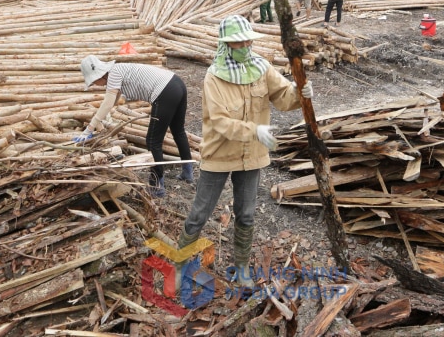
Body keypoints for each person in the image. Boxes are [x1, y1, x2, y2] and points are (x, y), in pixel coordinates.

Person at [177, 15, 313, 289]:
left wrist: (301, 92)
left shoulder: (260, 68)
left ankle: (241, 269)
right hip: (219, 155)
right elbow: (219, 121)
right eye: (241, 41)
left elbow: (284, 97)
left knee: (246, 214)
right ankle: (180, 266)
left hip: (252, 156)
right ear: (227, 44)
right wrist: (254, 130)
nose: (247, 44)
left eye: (249, 39)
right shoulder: (213, 77)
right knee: (199, 214)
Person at [80, 55, 194, 197]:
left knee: (153, 141)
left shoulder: (114, 74)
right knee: (178, 131)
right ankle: (188, 172)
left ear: (99, 75)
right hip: (176, 84)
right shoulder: (117, 70)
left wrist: (89, 129)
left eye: (93, 82)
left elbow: (107, 103)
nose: (94, 85)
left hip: (164, 92)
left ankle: (156, 187)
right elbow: (112, 102)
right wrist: (103, 117)